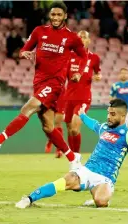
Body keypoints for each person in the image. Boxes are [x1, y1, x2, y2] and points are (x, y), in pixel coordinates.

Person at [0, 2, 87, 169]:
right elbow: (23, 50)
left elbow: (83, 56)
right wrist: (26, 53)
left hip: (55, 83)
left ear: (65, 16)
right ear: (49, 15)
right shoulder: (39, 31)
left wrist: (79, 72)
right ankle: (74, 160)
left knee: (27, 108)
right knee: (48, 127)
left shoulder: (71, 37)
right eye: (53, 15)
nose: (56, 18)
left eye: (59, 15)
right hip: (39, 82)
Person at [15, 99, 128, 209]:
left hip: (106, 178)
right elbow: (93, 124)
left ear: (123, 117)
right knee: (66, 180)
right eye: (108, 113)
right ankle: (29, 198)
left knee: (101, 202)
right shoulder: (105, 127)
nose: (109, 117)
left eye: (113, 114)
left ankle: (96, 195)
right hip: (87, 170)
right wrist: (82, 116)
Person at [45, 30, 102, 158]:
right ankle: (73, 158)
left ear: (89, 41)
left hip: (83, 98)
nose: (81, 39)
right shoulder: (68, 57)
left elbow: (98, 72)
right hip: (68, 98)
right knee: (70, 130)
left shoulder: (94, 57)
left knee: (75, 128)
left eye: (84, 37)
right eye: (79, 37)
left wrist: (97, 76)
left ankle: (76, 155)